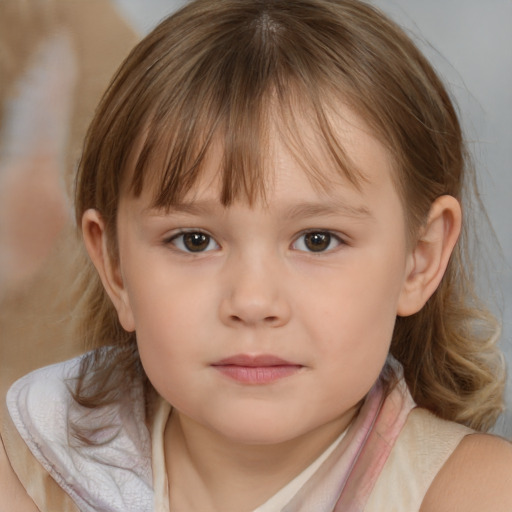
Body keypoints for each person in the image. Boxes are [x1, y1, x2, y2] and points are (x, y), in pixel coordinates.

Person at [2, 0, 512, 510]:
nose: (252, 300)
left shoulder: (477, 494)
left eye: (318, 240)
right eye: (194, 240)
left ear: (419, 259)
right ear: (114, 265)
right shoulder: (24, 473)